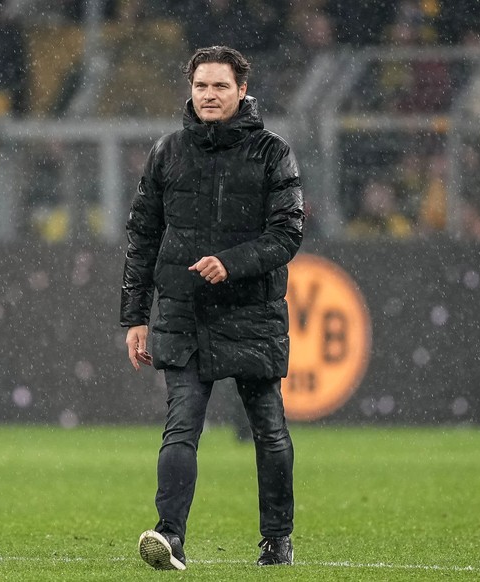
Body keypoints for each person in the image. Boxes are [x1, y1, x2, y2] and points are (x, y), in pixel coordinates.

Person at [120, 46, 304, 570]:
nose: (209, 95)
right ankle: (169, 537)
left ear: (242, 91)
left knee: (268, 431)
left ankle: (277, 541)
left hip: (252, 311)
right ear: (191, 90)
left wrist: (232, 263)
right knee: (181, 429)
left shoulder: (273, 153)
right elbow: (142, 236)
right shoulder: (167, 152)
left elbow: (288, 234)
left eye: (221, 86)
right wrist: (135, 316)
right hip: (183, 313)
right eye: (201, 86)